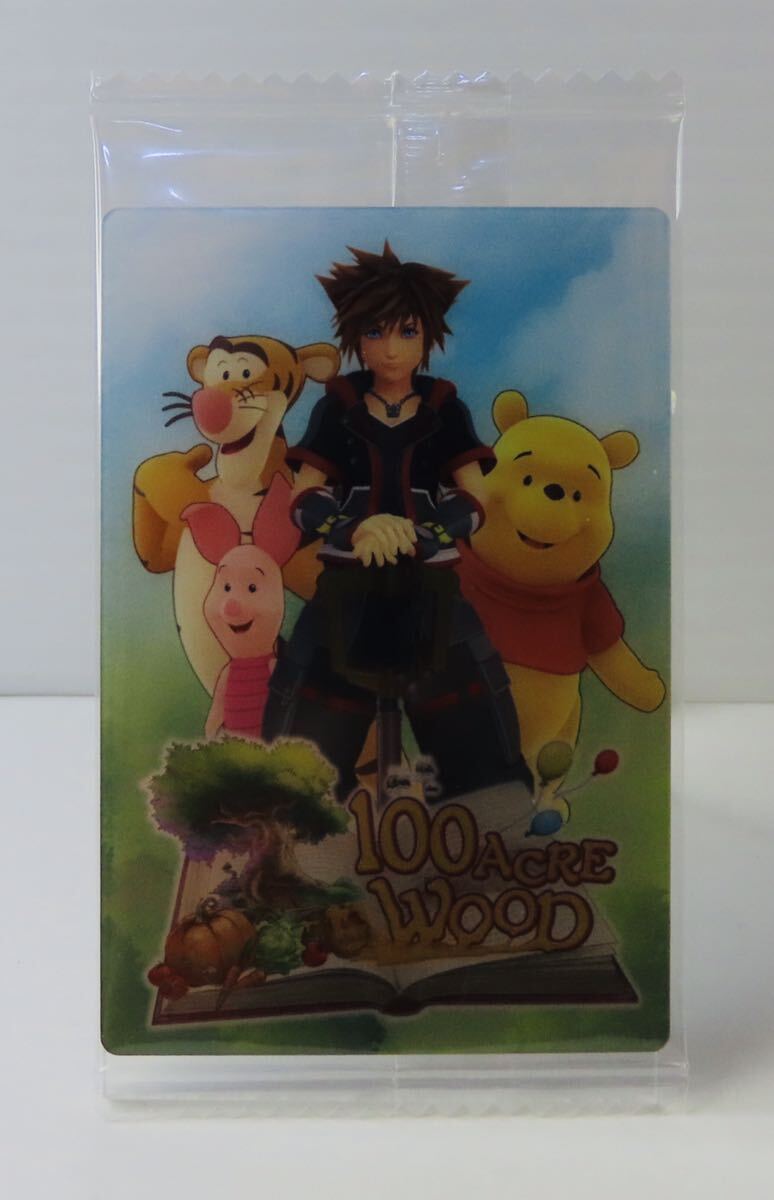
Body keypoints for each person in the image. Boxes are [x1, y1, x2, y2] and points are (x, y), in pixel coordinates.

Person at [263, 241, 532, 804]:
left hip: (432, 592)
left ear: (428, 335)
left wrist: (426, 534)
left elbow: (475, 499)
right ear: (355, 337)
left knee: (480, 748)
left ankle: (487, 826)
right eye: (375, 332)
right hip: (344, 593)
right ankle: (297, 834)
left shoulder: (445, 408)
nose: (390, 350)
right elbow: (305, 497)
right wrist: (353, 530)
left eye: (407, 332)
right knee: (300, 757)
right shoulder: (336, 406)